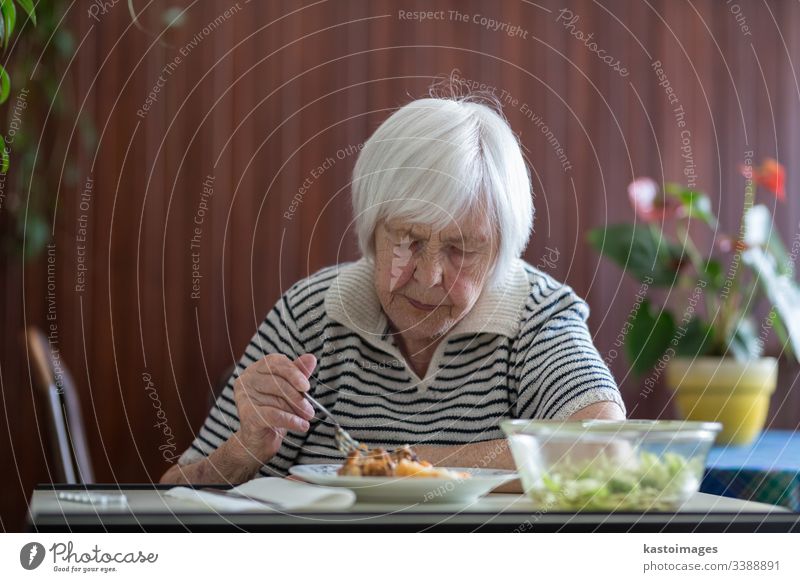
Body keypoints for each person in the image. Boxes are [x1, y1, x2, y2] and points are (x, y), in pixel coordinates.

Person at [161, 95, 625, 485]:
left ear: (502, 249)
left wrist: (388, 466)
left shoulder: (536, 314)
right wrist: (241, 454)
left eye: (461, 250)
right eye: (408, 240)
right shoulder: (312, 311)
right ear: (371, 231)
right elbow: (171, 495)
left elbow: (607, 452)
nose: (428, 276)